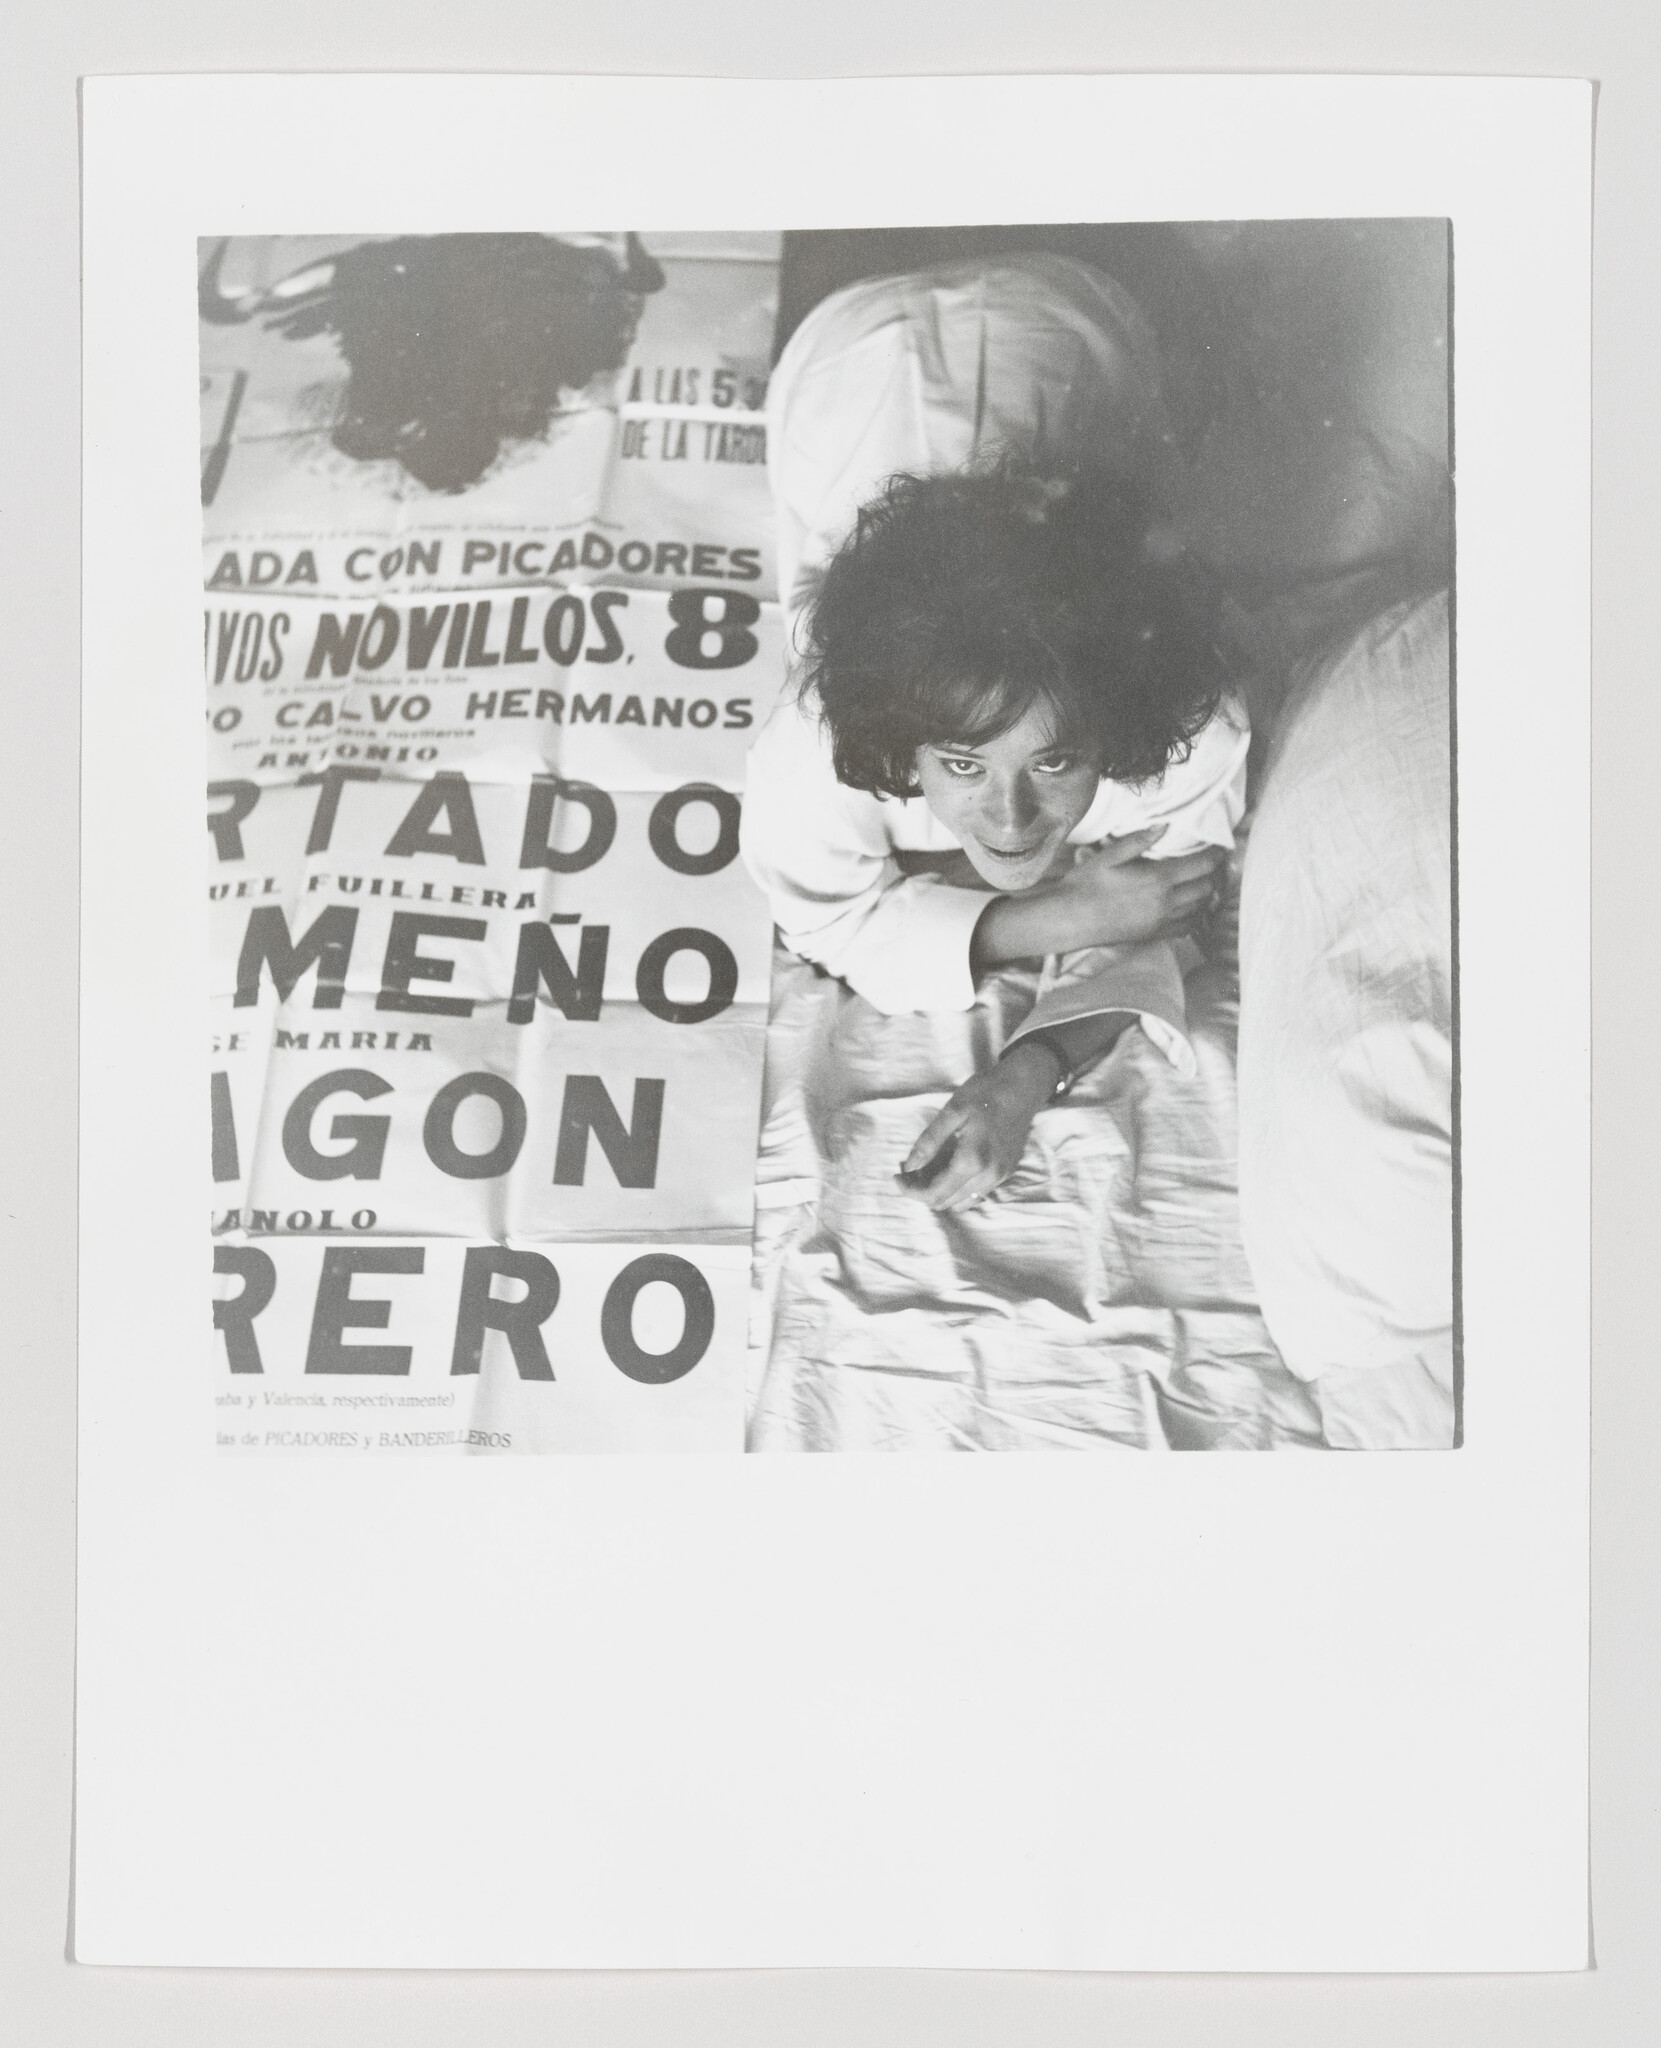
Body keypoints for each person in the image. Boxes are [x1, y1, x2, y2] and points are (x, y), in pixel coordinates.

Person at [741, 459, 1246, 1214]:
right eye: (962, 764)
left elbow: (1178, 906)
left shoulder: (1196, 732)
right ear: (902, 740)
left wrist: (1023, 1078)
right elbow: (825, 924)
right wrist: (1068, 915)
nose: (1011, 819)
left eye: (1054, 762)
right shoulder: (807, 754)